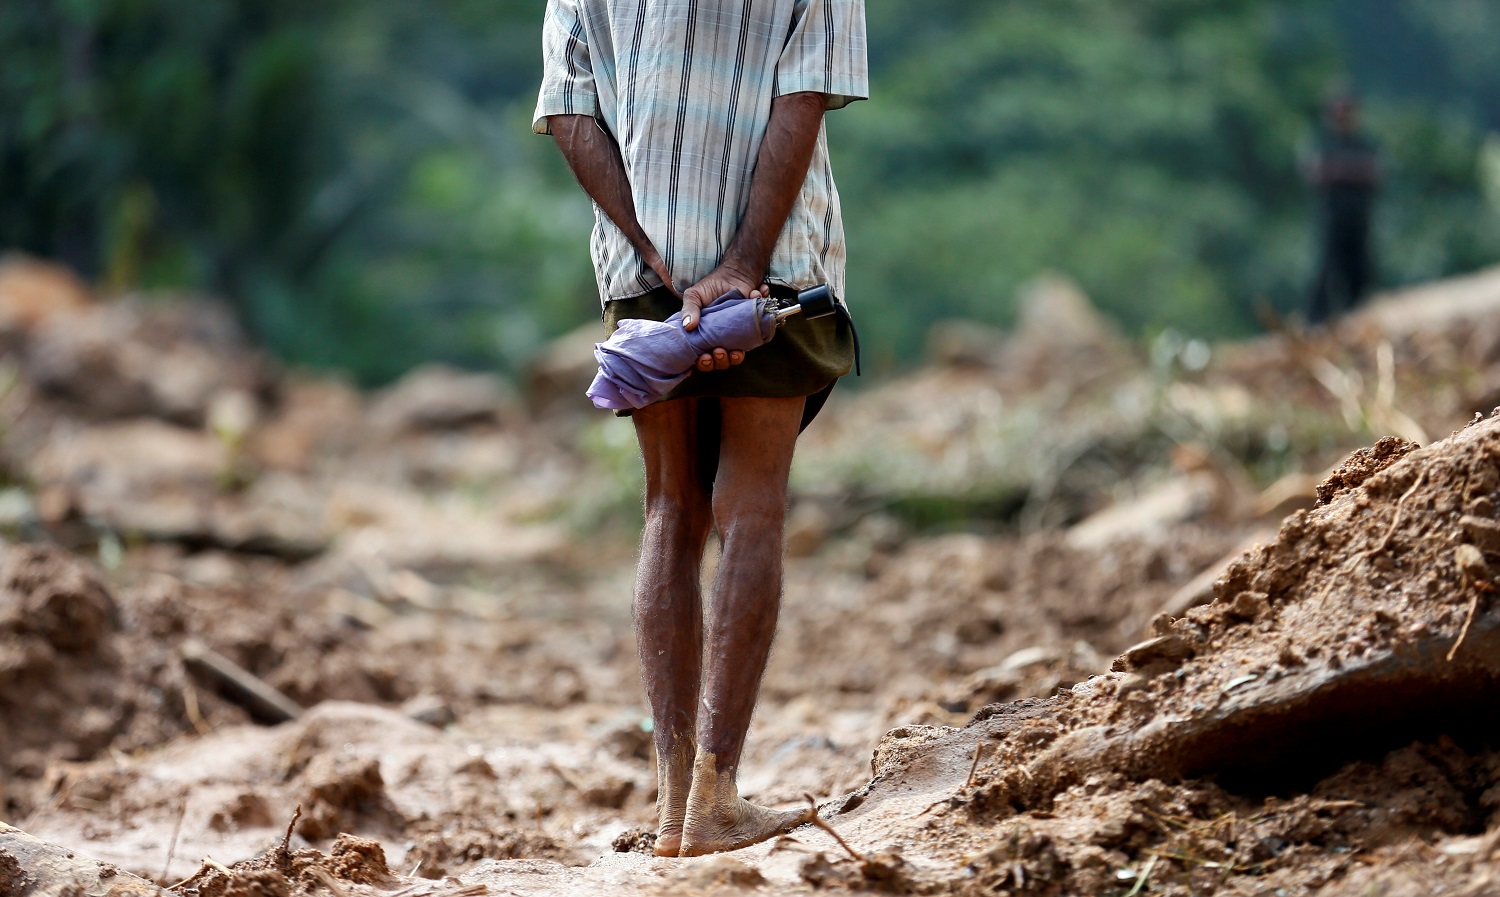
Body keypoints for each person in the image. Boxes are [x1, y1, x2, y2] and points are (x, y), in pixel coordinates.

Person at [533, 0, 866, 857]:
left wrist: (653, 256)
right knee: (749, 508)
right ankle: (716, 794)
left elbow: (570, 111)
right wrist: (738, 267)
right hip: (773, 274)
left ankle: (673, 800)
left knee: (669, 509)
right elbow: (803, 98)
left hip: (641, 278)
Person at [1302, 92, 1383, 325]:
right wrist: (1351, 171)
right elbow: (1315, 172)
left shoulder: (1364, 143)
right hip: (1332, 220)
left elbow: (1374, 172)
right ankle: (1316, 324)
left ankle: (1355, 318)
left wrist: (1338, 171)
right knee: (1327, 271)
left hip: (1358, 220)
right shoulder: (1323, 142)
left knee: (1359, 272)